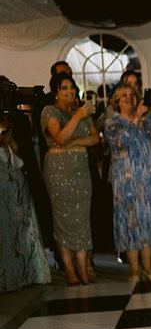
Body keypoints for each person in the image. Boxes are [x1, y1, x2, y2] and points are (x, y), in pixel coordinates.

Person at [40, 73, 99, 285]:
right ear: (56, 92)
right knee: (63, 218)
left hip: (82, 172)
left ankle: (83, 268)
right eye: (64, 88)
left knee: (82, 219)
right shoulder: (50, 112)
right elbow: (59, 138)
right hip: (58, 172)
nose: (69, 91)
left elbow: (94, 139)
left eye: (71, 87)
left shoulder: (82, 113)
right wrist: (76, 118)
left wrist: (73, 141)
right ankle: (69, 270)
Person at [104, 84, 151, 282]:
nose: (129, 98)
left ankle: (147, 268)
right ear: (116, 100)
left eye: (132, 94)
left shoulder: (146, 120)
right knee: (129, 223)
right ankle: (133, 270)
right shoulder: (112, 123)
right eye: (124, 95)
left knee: (148, 221)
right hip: (125, 183)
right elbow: (121, 142)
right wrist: (136, 118)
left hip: (146, 180)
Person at [0, 116, 52, 293]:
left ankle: (30, 272)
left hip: (15, 180)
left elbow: (21, 153)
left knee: (22, 225)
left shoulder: (11, 121)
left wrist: (9, 137)